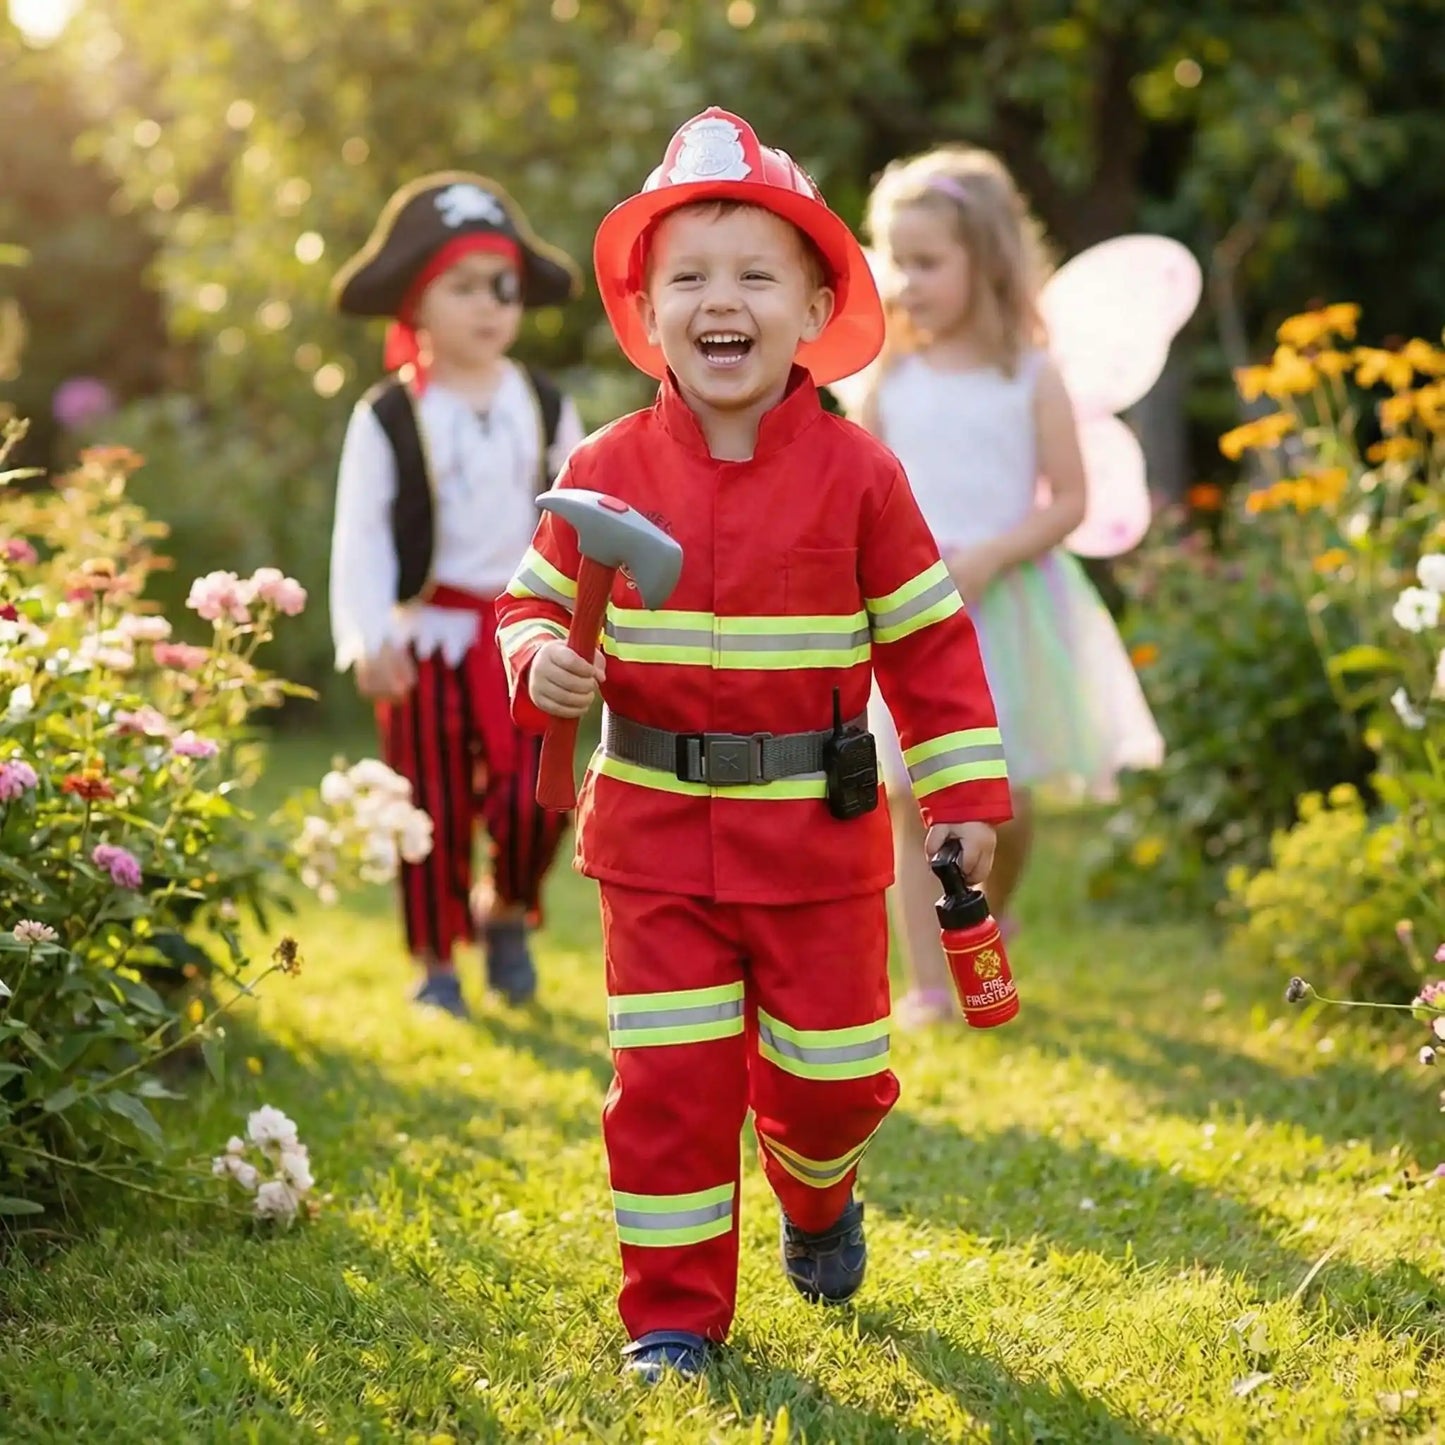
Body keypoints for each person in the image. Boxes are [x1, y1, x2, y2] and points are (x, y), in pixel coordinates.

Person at [495, 109, 1011, 1381]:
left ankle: (816, 1183)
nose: (718, 302)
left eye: (753, 277)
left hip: (818, 848)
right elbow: (529, 605)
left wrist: (960, 791)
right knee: (668, 1082)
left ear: (813, 307)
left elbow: (929, 643)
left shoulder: (859, 476)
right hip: (656, 841)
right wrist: (541, 659)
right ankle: (671, 1315)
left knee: (832, 1077)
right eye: (687, 278)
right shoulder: (604, 469)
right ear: (646, 310)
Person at [853, 145, 1163, 1029]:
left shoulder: (1029, 375)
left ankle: (991, 905)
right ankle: (926, 987)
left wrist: (992, 554)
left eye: (925, 262)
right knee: (910, 798)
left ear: (985, 260)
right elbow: (860, 486)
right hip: (907, 615)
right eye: (895, 261)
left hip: (1004, 610)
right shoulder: (889, 375)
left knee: (1005, 802)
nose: (903, 282)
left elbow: (1068, 500)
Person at [328, 171, 585, 1019]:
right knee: (427, 805)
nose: (487, 306)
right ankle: (435, 958)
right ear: (417, 304)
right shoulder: (389, 414)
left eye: (501, 288)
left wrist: (589, 618)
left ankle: (506, 907)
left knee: (535, 800)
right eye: (463, 287)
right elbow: (362, 531)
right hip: (428, 633)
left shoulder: (543, 404)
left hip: (526, 637)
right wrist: (369, 634)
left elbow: (579, 516)